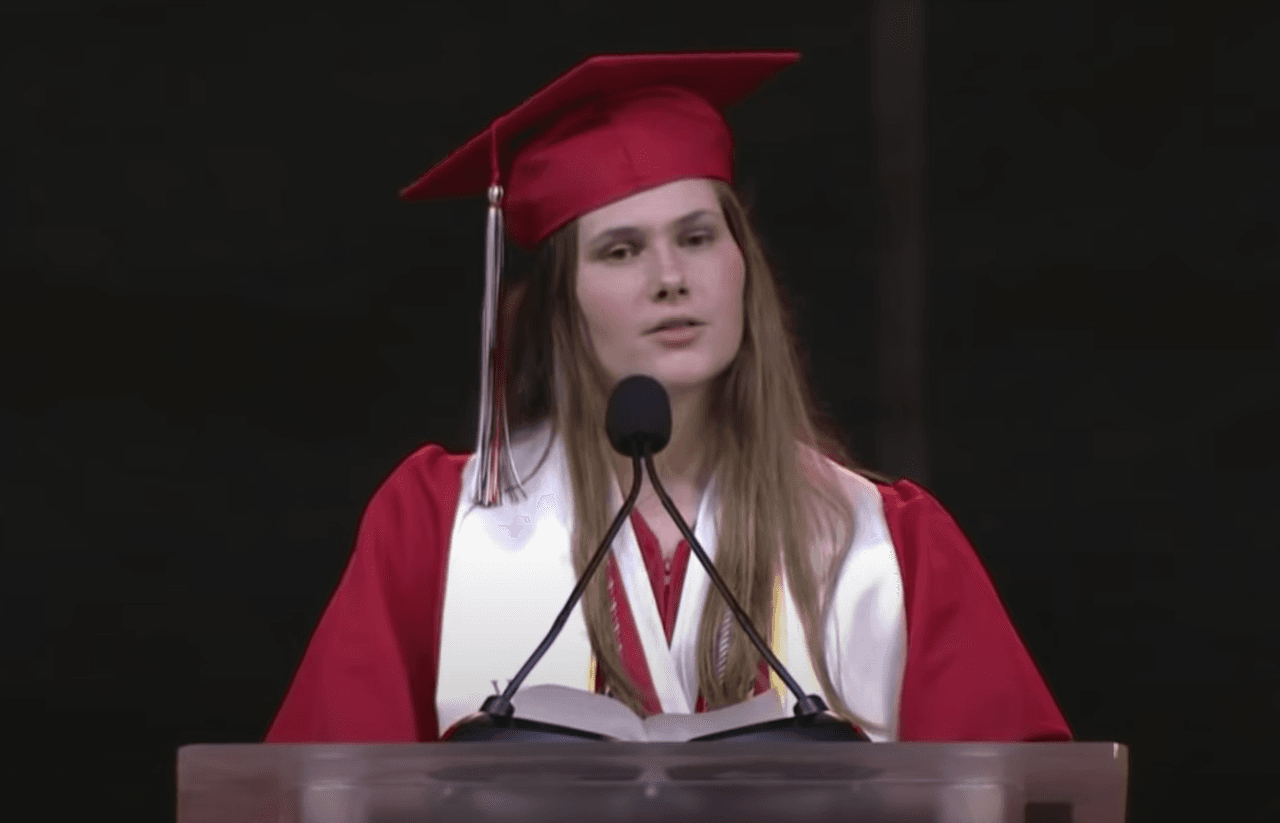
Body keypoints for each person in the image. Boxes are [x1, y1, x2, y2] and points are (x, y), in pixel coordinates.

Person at [265, 52, 1071, 744]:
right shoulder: (438, 527)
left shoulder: (890, 545)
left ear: (740, 264)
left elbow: (1021, 797)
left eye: (696, 236)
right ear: (559, 307)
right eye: (620, 250)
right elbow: (314, 794)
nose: (671, 278)